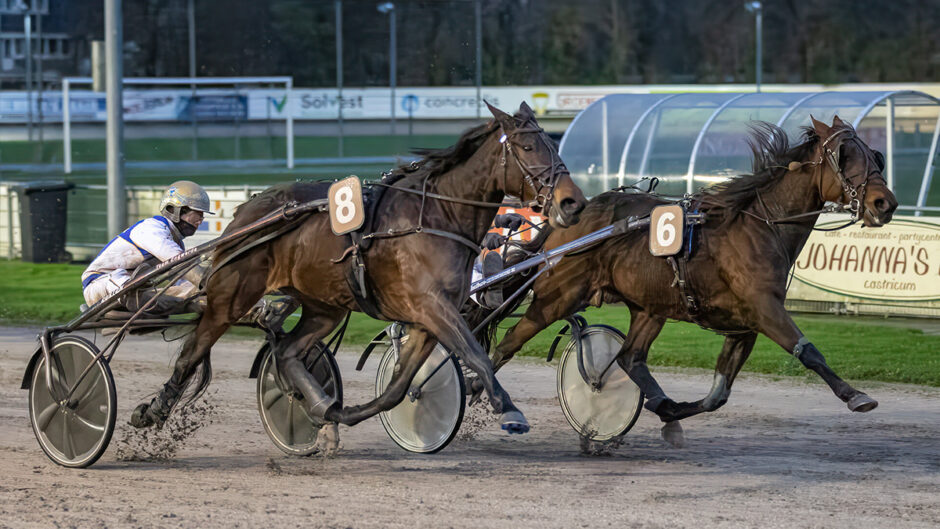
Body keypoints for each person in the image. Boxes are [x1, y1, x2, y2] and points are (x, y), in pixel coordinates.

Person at [81, 180, 212, 314]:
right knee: (126, 284)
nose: (201, 220)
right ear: (176, 210)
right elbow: (177, 260)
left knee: (193, 290)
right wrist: (207, 279)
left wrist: (202, 291)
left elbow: (181, 279)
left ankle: (152, 307)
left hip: (133, 289)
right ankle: (144, 307)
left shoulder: (176, 243)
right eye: (198, 213)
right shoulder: (151, 228)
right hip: (100, 284)